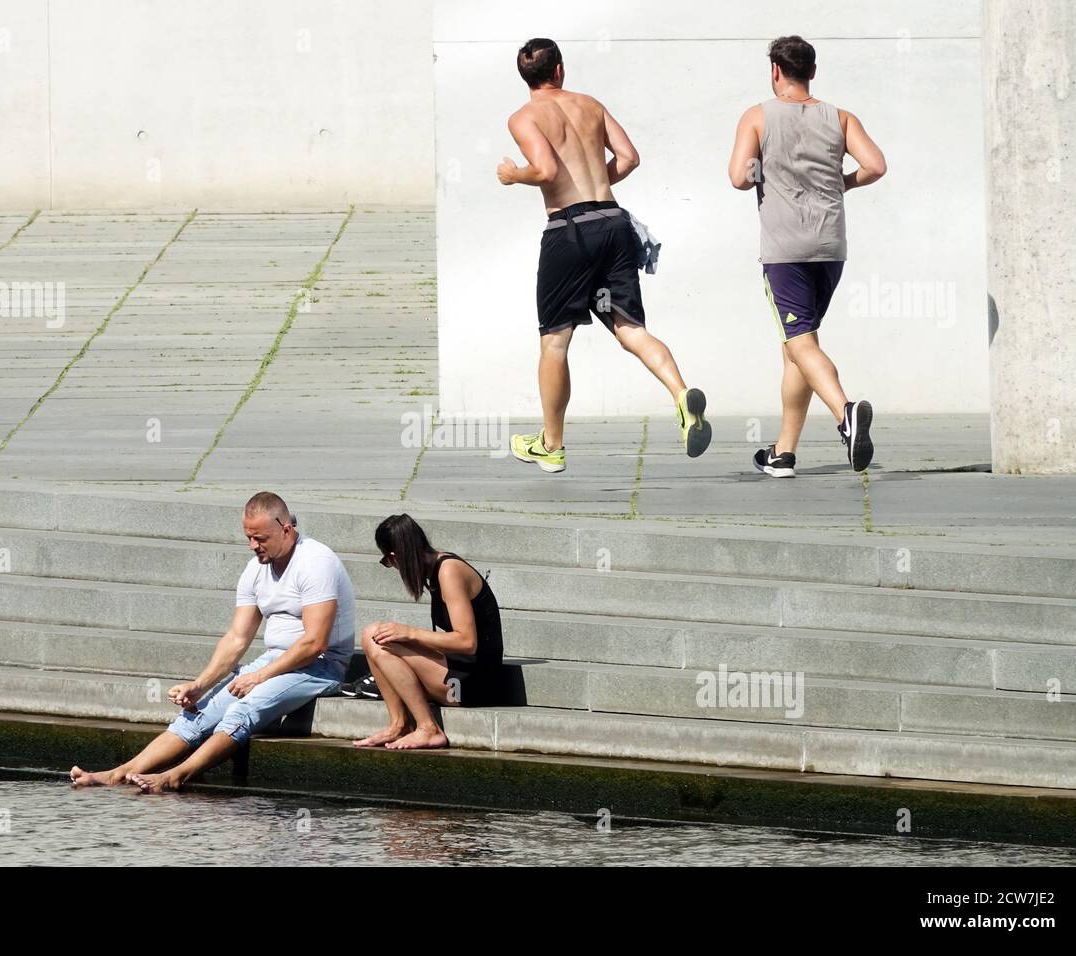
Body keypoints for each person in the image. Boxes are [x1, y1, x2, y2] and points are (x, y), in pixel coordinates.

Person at [498, 37, 711, 474]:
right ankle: (680, 394)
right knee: (630, 327)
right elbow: (629, 158)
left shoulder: (523, 117)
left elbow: (547, 171)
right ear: (560, 70)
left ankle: (551, 444)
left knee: (555, 341)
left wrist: (514, 175)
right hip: (613, 222)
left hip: (569, 230)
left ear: (526, 77)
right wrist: (596, 187)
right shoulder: (590, 104)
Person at [69, 492, 353, 792]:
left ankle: (176, 775)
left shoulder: (315, 562)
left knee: (243, 710)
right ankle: (118, 773)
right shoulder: (256, 567)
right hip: (276, 659)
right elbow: (237, 637)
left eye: (260, 538)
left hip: (322, 666)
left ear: (286, 529)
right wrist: (199, 685)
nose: (253, 546)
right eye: (248, 537)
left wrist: (259, 677)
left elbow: (315, 643)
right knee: (198, 711)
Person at [728, 35, 886, 477]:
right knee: (798, 346)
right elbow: (875, 165)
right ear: (812, 71)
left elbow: (739, 177)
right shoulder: (840, 117)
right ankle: (784, 452)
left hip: (785, 248)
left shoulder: (757, 116)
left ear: (775, 71)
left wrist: (766, 169)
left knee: (801, 344)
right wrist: (843, 183)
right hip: (830, 245)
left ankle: (846, 415)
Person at [349, 514, 504, 750]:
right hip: (458, 669)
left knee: (379, 641)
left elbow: (467, 642)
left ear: (394, 556)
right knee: (373, 634)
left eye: (388, 562)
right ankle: (398, 724)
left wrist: (409, 633)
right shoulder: (435, 570)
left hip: (475, 684)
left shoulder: (448, 571)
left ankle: (428, 728)